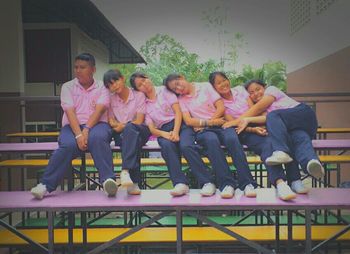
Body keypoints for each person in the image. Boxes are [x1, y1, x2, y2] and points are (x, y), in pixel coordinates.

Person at [31, 53, 118, 199]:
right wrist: (79, 134)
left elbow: (100, 110)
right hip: (72, 126)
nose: (78, 70)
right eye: (76, 67)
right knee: (68, 145)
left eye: (82, 67)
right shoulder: (68, 87)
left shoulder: (103, 87)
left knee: (98, 138)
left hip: (97, 124)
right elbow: (69, 112)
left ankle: (108, 181)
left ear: (93, 69)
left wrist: (86, 130)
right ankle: (45, 185)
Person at [209, 72, 308, 200]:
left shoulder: (240, 90)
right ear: (214, 88)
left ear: (228, 80)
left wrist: (256, 123)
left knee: (278, 141)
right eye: (218, 83)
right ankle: (280, 183)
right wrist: (253, 129)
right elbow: (231, 123)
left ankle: (289, 182)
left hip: (256, 123)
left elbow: (255, 108)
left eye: (224, 80)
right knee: (269, 144)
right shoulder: (219, 102)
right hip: (243, 131)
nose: (223, 84)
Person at [164, 73, 257, 199]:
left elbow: (220, 107)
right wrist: (209, 124)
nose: (179, 89)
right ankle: (227, 184)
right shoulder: (181, 100)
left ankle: (248, 183)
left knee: (232, 139)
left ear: (182, 77)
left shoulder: (205, 87)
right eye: (175, 89)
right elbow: (189, 121)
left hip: (221, 124)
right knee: (211, 140)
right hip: (204, 132)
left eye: (178, 84)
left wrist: (210, 122)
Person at [236, 80, 324, 179]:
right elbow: (265, 119)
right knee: (300, 137)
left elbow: (262, 111)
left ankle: (281, 151)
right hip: (298, 127)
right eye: (251, 93)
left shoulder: (271, 90)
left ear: (264, 87)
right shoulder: (266, 113)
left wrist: (245, 119)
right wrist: (248, 120)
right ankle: (311, 162)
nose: (256, 94)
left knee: (273, 115)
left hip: (303, 114)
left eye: (258, 89)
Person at [130, 72, 190, 196]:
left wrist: (176, 131)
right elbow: (152, 129)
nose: (144, 85)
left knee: (186, 145)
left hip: (179, 124)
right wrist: (165, 134)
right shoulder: (143, 104)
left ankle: (204, 181)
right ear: (138, 90)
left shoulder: (164, 91)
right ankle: (180, 183)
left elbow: (178, 112)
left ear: (148, 78)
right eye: (140, 85)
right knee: (167, 146)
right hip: (162, 130)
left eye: (144, 80)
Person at [103, 69, 151, 195]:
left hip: (141, 130)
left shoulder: (138, 95)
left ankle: (125, 170)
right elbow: (111, 121)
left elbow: (139, 120)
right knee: (131, 139)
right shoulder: (111, 99)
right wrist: (121, 126)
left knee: (131, 129)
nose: (115, 86)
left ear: (122, 79)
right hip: (125, 135)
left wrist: (122, 126)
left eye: (116, 81)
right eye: (110, 85)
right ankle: (133, 183)